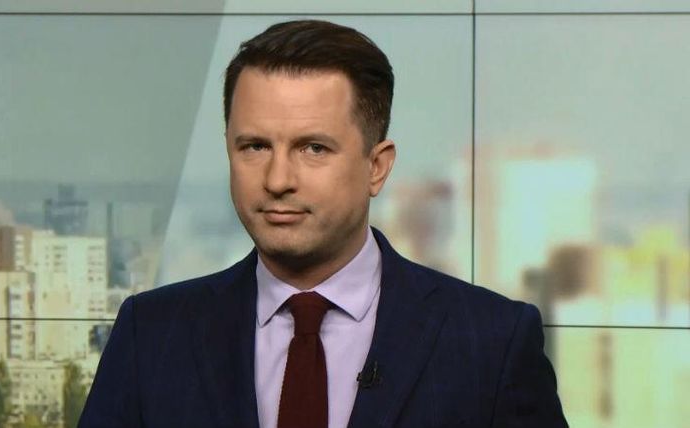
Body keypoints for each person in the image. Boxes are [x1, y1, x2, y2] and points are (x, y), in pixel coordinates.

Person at [79, 20, 568, 428]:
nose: (277, 180)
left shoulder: (492, 343)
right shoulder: (151, 335)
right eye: (255, 146)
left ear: (377, 166)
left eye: (313, 148)